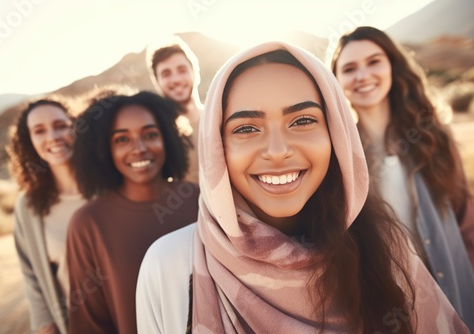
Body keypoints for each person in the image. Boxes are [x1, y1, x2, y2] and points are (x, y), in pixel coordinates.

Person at [136, 42, 469, 333]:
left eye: (302, 121)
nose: (278, 150)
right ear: (217, 147)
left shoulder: (388, 247)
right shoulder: (171, 266)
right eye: (247, 128)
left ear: (336, 134)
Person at [331, 26, 474, 330]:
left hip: (455, 295)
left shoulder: (434, 139)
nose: (362, 75)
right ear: (336, 80)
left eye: (373, 62)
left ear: (392, 65)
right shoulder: (338, 158)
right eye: (349, 68)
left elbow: (467, 224)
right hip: (389, 308)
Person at [66, 91, 199, 333]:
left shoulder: (197, 199)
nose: (138, 148)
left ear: (167, 139)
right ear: (104, 149)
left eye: (150, 135)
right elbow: (91, 323)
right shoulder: (88, 224)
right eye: (122, 139)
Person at [9, 98, 86, 334]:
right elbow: (30, 272)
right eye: (39, 131)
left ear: (75, 127)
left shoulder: (109, 188)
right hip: (75, 325)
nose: (52, 136)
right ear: (30, 141)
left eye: (61, 125)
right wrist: (45, 323)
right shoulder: (29, 206)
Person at [146, 36, 203, 182]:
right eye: (166, 74)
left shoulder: (222, 118)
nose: (176, 79)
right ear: (157, 82)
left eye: (182, 70)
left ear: (195, 72)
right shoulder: (157, 136)